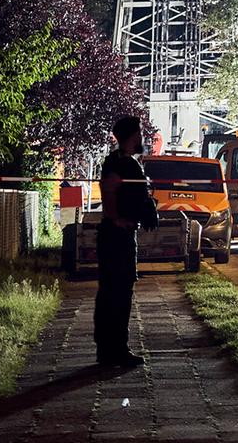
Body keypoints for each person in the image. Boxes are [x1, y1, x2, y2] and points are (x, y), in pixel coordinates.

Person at [96, 114, 158, 366]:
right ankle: (115, 350)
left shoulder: (123, 161)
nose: (142, 136)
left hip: (118, 234)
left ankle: (109, 349)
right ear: (132, 136)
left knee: (114, 292)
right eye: (139, 132)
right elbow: (109, 190)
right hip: (117, 236)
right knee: (118, 293)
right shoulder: (119, 163)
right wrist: (116, 219)